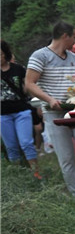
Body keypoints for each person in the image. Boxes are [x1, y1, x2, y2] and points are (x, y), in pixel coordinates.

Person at [25, 21, 75, 200]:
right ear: (65, 36)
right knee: (66, 157)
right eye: (74, 37)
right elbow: (29, 83)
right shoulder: (40, 55)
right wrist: (50, 100)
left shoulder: (74, 58)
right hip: (54, 113)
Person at [1, 39, 42, 178]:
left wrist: (38, 104)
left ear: (5, 53)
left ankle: (36, 173)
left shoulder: (18, 69)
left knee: (26, 143)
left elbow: (29, 88)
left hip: (21, 111)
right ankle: (18, 177)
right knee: (11, 147)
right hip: (3, 114)